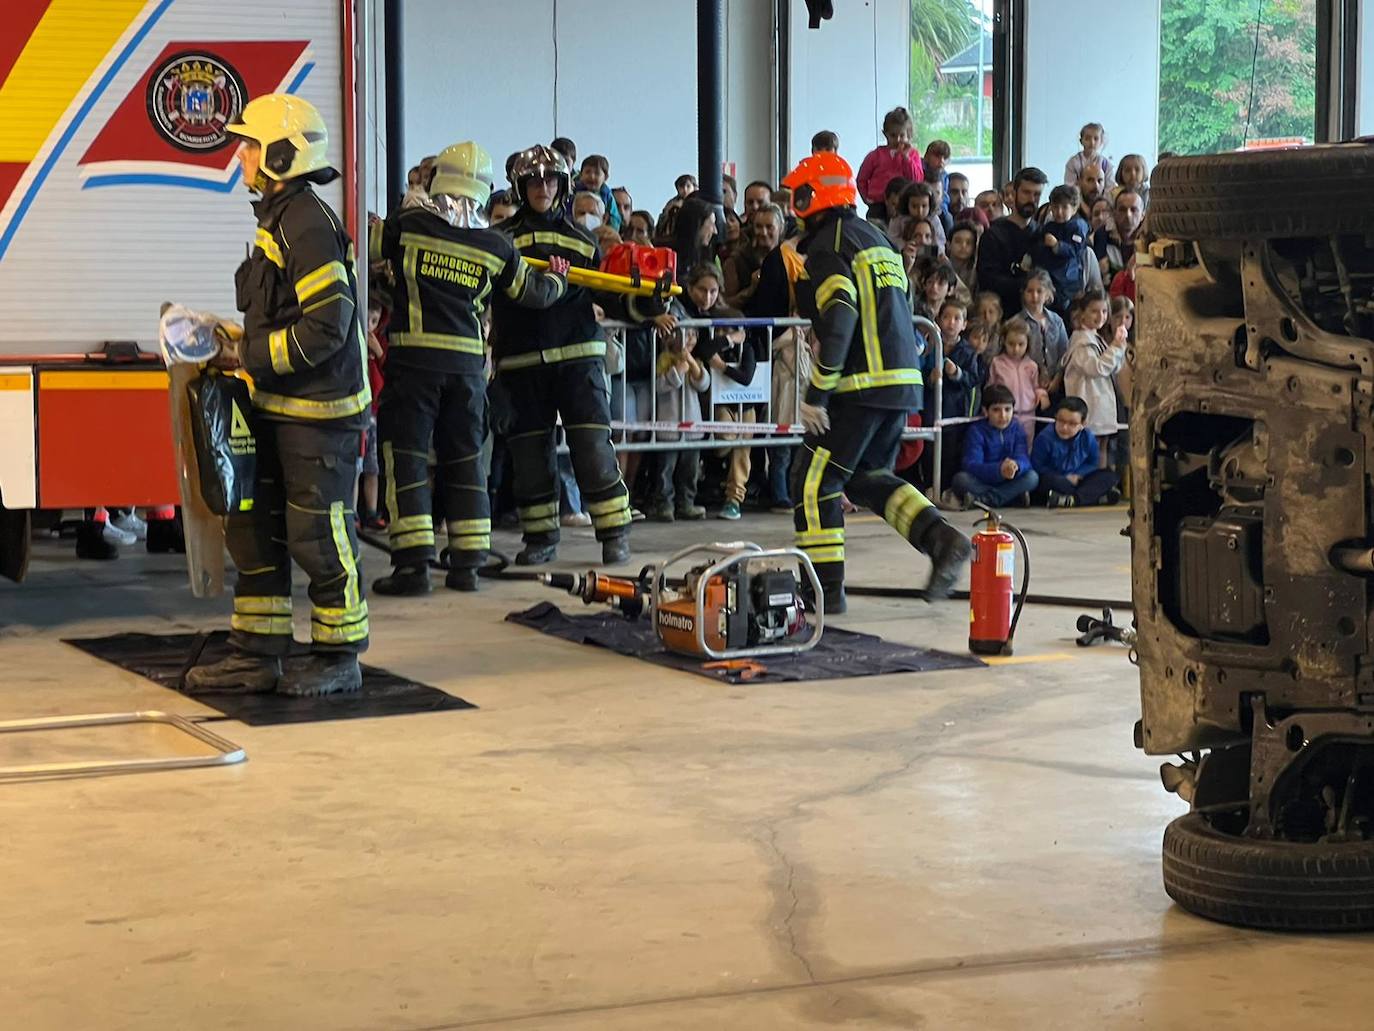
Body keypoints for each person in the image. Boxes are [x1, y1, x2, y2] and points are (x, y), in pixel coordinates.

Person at [185, 94, 370, 697]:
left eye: (250, 145)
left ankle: (340, 655)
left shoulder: (306, 222)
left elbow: (328, 326)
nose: (240, 155)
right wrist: (238, 338)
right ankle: (256, 653)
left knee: (318, 534)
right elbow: (290, 314)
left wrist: (247, 356)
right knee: (256, 529)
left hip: (319, 417)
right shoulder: (281, 216)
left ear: (283, 155)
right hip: (279, 407)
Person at [371, 141, 570, 597]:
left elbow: (363, 249)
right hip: (466, 373)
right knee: (465, 464)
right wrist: (559, 276)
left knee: (408, 461)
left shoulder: (408, 226)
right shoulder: (495, 245)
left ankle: (413, 567)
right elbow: (534, 293)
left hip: (412, 366)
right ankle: (467, 565)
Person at [781, 151, 969, 614]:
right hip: (900, 382)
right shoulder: (877, 239)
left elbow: (841, 315)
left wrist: (817, 393)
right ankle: (943, 539)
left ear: (813, 195)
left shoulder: (829, 245)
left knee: (811, 482)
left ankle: (823, 592)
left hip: (860, 384)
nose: (792, 206)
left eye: (797, 196)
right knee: (866, 477)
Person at [492, 144, 632, 566]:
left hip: (578, 362)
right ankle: (539, 538)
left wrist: (651, 302)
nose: (543, 187)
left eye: (550, 179)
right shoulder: (501, 241)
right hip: (521, 365)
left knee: (592, 449)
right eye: (534, 180)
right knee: (531, 458)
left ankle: (613, 533)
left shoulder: (583, 241)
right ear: (520, 185)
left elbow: (613, 296)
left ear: (563, 185)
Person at [1062, 289, 1126, 466]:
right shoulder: (1081, 342)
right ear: (1082, 314)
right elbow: (1096, 368)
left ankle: (1099, 487)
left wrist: (1120, 347)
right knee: (1088, 450)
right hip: (1089, 406)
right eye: (1094, 311)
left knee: (1102, 447)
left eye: (1104, 311)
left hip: (1102, 406)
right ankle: (1085, 489)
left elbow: (1113, 367)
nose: (1100, 316)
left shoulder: (1097, 338)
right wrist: (1116, 348)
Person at [950, 384, 1038, 509]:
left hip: (1010, 479)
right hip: (984, 480)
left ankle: (985, 500)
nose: (1003, 415)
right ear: (986, 411)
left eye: (1007, 409)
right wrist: (998, 470)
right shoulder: (976, 430)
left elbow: (1023, 458)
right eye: (996, 410)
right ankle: (1008, 498)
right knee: (961, 480)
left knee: (1032, 477)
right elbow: (971, 464)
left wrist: (1016, 466)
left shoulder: (1017, 428)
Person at [976, 166, 1048, 318]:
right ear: (1014, 194)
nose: (1031, 199)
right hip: (1002, 316)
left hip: (1036, 315)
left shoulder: (1044, 235)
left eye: (1037, 194)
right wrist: (1026, 285)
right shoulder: (993, 235)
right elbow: (987, 280)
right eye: (1026, 192)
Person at [1031, 396, 1121, 507]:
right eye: (1061, 421)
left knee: (1110, 476)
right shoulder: (1044, 437)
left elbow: (1093, 463)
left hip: (1078, 479)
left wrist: (1079, 474)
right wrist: (1065, 477)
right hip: (1057, 479)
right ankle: (1093, 498)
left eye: (1072, 424)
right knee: (1047, 481)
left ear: (1083, 423)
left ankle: (1071, 500)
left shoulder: (1087, 437)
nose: (1064, 427)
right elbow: (1037, 466)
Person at [1032, 185, 1091, 318]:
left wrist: (1057, 245)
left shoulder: (1078, 226)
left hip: (1067, 281)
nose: (1059, 212)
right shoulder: (1049, 226)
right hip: (1048, 279)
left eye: (1064, 207)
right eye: (1055, 207)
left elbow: (1075, 250)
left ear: (1074, 208)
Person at [987, 319, 1048, 446]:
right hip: (1004, 415)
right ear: (1003, 342)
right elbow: (990, 388)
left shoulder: (1032, 365)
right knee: (1005, 444)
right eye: (1011, 344)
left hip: (1028, 415)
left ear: (1028, 344)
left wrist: (1042, 395)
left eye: (1021, 344)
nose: (1016, 349)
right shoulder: (997, 363)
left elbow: (1036, 387)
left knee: (1026, 445)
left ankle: (1024, 466)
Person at [855, 107, 924, 219]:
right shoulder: (875, 155)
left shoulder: (913, 155)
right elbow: (861, 179)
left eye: (901, 135)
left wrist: (906, 159)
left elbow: (917, 180)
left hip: (905, 204)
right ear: (885, 134)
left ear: (908, 135)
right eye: (893, 135)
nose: (897, 140)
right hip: (878, 203)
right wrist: (866, 198)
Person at [1013, 270, 1070, 390]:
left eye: (1039, 291)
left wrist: (1057, 379)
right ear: (1023, 293)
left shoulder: (1056, 321)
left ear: (1048, 293)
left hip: (1054, 382)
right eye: (1030, 291)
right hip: (1026, 384)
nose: (1034, 296)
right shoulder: (1017, 322)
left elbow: (1064, 353)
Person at [724, 203, 782, 309]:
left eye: (769, 227)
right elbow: (726, 304)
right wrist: (751, 289)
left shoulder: (789, 257)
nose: (763, 233)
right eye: (759, 227)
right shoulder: (737, 260)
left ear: (780, 228)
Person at [1093, 189, 1144, 284]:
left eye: (1134, 210)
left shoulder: (1149, 238)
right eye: (1122, 210)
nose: (1128, 215)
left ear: (1142, 215)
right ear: (1114, 213)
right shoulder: (1102, 235)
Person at [575, 155, 621, 230]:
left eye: (597, 173)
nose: (592, 176)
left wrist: (609, 230)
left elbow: (614, 218)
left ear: (605, 177)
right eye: (587, 172)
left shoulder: (607, 196)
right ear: (581, 175)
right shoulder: (575, 191)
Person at [1064, 122, 1113, 187]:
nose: (1092, 142)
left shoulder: (1106, 164)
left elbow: (1110, 188)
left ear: (1101, 141)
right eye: (1087, 138)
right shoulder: (1073, 162)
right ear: (1081, 141)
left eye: (1096, 139)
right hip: (1077, 196)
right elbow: (1069, 186)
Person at [947, 223, 978, 300]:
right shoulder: (940, 264)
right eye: (958, 241)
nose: (963, 246)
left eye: (968, 243)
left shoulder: (976, 271)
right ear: (948, 245)